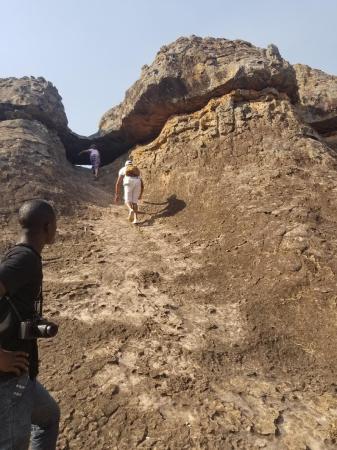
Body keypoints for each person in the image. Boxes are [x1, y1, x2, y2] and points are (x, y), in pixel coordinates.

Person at [0, 199, 60, 450]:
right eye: (55, 225)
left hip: (22, 377)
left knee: (49, 417)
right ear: (47, 227)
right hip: (8, 380)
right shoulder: (25, 259)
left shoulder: (19, 255)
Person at [115, 160, 144, 224]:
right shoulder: (136, 170)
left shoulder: (123, 169)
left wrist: (117, 194)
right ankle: (136, 219)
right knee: (135, 202)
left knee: (127, 200)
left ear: (126, 165)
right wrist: (141, 194)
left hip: (128, 181)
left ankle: (131, 210)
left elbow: (118, 183)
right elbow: (142, 184)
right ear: (131, 164)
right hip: (137, 182)